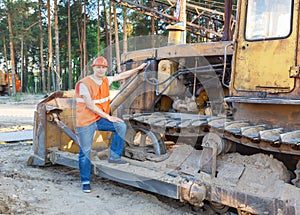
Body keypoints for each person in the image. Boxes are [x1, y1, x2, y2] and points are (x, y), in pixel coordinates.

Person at [75, 56, 147, 193]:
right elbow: (90, 105)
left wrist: (138, 69)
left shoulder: (105, 80)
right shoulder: (84, 84)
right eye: (98, 67)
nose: (101, 70)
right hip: (85, 121)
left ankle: (114, 157)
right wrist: (109, 117)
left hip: (98, 118)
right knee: (85, 152)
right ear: (93, 68)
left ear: (106, 69)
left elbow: (121, 76)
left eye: (103, 67)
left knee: (121, 126)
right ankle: (85, 181)